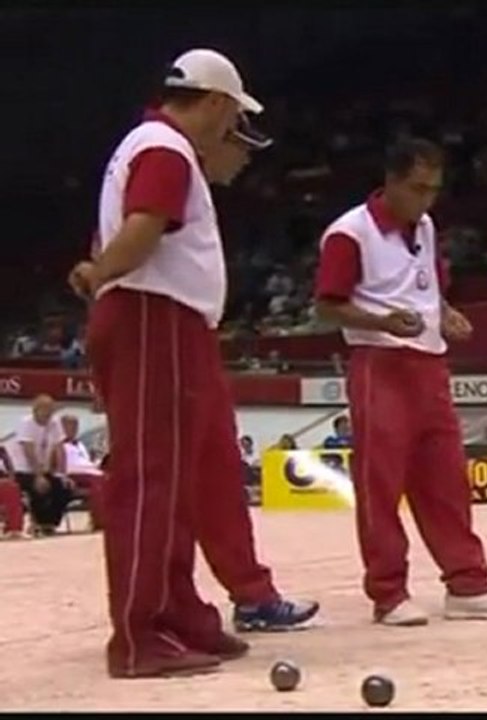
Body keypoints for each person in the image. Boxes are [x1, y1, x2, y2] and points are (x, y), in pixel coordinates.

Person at [67, 48, 315, 680]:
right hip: (156, 318)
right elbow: (146, 226)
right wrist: (103, 273)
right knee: (151, 481)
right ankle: (139, 633)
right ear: (213, 102)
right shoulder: (166, 149)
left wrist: (103, 268)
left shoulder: (150, 145)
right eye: (232, 112)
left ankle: (178, 614)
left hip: (167, 320)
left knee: (175, 480)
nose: (232, 127)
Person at [315, 137, 487, 627]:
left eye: (433, 190)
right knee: (381, 484)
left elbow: (427, 289)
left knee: (447, 481)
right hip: (379, 362)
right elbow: (326, 306)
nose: (426, 200)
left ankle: (468, 584)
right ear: (390, 182)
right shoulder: (348, 233)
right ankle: (388, 593)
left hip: (430, 363)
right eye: (417, 189)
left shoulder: (425, 227)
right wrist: (382, 322)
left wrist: (447, 314)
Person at [9, 395, 73, 535]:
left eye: (50, 412)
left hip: (44, 469)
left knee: (63, 488)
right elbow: (29, 451)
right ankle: (39, 522)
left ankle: (50, 523)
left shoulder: (54, 423)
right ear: (36, 410)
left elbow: (60, 449)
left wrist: (63, 474)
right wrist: (38, 476)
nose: (48, 416)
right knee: (38, 488)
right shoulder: (26, 423)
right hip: (24, 470)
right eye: (45, 412)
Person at [52, 414, 107, 532]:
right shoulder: (58, 444)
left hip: (90, 472)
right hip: (74, 473)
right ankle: (100, 522)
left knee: (110, 480)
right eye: (70, 425)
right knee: (98, 482)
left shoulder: (80, 444)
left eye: (75, 426)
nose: (74, 428)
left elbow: (86, 461)